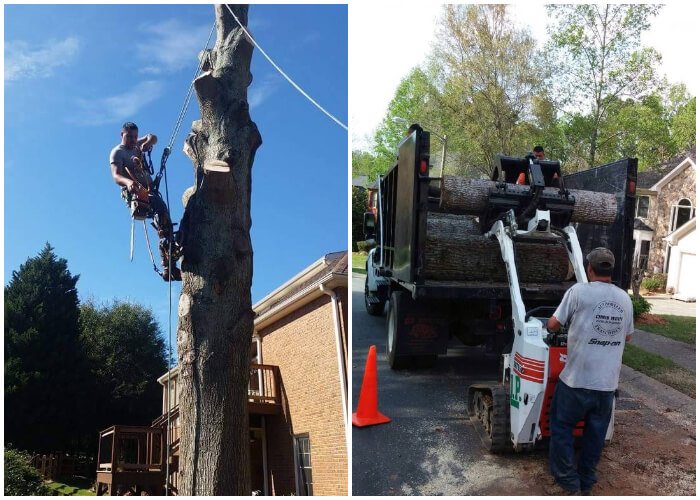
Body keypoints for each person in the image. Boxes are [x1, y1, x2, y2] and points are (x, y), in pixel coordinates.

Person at [545, 247, 634, 495]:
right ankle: (586, 481)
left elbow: (553, 324)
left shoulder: (578, 292)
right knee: (595, 435)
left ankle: (568, 481)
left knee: (561, 427)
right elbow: (628, 336)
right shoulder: (624, 299)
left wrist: (552, 330)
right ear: (611, 270)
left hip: (575, 382)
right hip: (606, 385)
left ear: (589, 269)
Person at [109, 122, 182, 281]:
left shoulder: (136, 145)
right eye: (129, 137)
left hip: (150, 190)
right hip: (136, 192)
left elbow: (152, 136)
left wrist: (148, 143)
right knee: (161, 211)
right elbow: (116, 175)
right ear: (122, 135)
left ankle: (170, 265)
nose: (133, 140)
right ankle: (168, 259)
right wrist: (129, 183)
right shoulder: (117, 153)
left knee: (163, 219)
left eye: (135, 137)